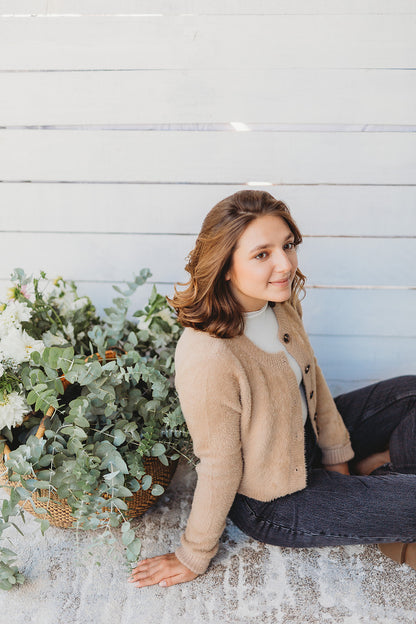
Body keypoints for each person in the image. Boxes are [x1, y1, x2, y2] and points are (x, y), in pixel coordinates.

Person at [128, 190, 416, 589]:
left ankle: (383, 483)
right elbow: (219, 464)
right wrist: (192, 555)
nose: (285, 264)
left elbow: (313, 383)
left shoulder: (280, 303)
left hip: (306, 442)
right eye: (262, 254)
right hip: (273, 498)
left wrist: (339, 460)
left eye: (287, 246)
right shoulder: (208, 355)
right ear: (225, 266)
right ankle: (393, 505)